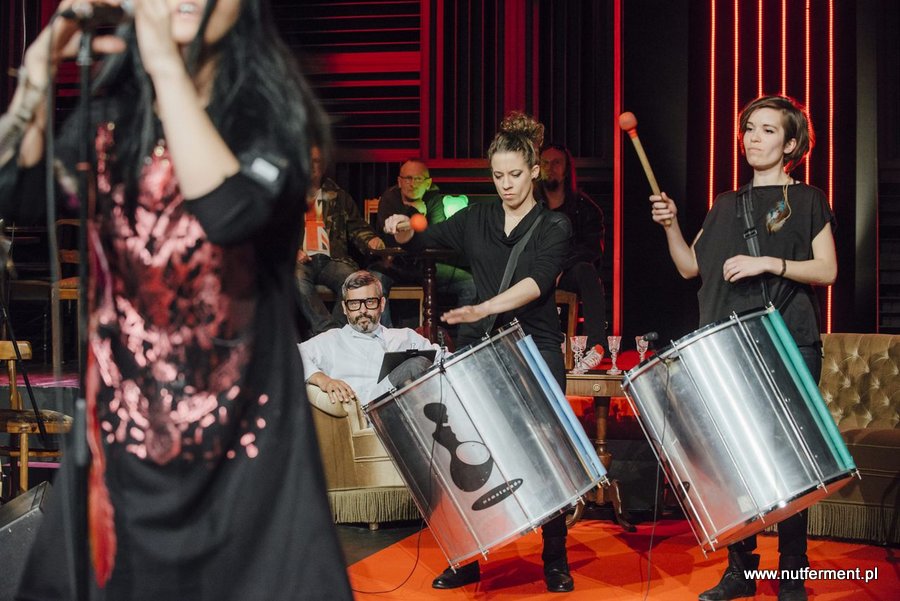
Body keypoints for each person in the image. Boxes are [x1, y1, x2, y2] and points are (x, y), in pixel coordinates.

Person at [0, 1, 352, 599]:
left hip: (242, 461)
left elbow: (230, 214)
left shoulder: (272, 118)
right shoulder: (112, 119)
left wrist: (164, 64)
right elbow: (16, 192)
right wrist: (35, 73)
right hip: (123, 458)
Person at [650, 94, 836, 601]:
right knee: (735, 457)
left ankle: (792, 569)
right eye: (750, 128)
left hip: (789, 339)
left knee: (792, 457)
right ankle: (741, 570)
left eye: (768, 130)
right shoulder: (725, 204)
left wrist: (768, 263)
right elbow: (690, 266)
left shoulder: (808, 199)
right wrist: (670, 226)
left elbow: (827, 270)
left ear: (791, 144)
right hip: (729, 343)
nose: (753, 137)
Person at [385, 111, 576, 593]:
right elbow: (424, 241)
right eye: (498, 175)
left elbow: (537, 283)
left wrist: (485, 306)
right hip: (482, 345)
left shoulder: (554, 225)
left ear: (534, 171)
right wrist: (404, 230)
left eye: (515, 174)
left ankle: (555, 555)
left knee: (546, 449)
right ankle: (466, 554)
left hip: (534, 346)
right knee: (465, 448)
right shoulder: (478, 216)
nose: (506, 184)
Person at [300, 270, 441, 406]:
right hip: (366, 410)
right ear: (344, 308)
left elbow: (442, 358)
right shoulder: (332, 340)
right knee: (414, 365)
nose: (363, 310)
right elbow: (294, 354)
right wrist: (323, 380)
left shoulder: (405, 336)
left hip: (410, 407)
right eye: (354, 304)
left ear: (382, 304)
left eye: (370, 302)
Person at [296, 144, 389, 335]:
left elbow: (357, 227)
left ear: (323, 165)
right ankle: (328, 332)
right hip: (300, 261)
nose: (311, 166)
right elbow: (274, 232)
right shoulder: (287, 196)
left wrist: (371, 240)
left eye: (316, 161)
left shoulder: (338, 196)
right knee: (296, 279)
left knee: (352, 280)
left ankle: (339, 334)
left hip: (333, 260)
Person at [373, 158, 477, 327]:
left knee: (470, 284)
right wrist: (416, 211)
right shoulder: (389, 199)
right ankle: (387, 338)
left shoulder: (434, 199)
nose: (412, 183)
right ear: (399, 181)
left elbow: (436, 238)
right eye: (407, 178)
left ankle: (463, 339)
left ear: (428, 183)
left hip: (425, 266)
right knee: (375, 284)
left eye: (418, 179)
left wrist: (416, 217)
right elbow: (392, 239)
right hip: (392, 266)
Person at [536, 143, 608, 367]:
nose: (550, 168)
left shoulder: (585, 208)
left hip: (568, 274)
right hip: (535, 273)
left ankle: (596, 346)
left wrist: (560, 266)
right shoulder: (529, 206)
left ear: (566, 169)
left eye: (556, 163)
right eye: (545, 163)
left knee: (586, 270)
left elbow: (592, 248)